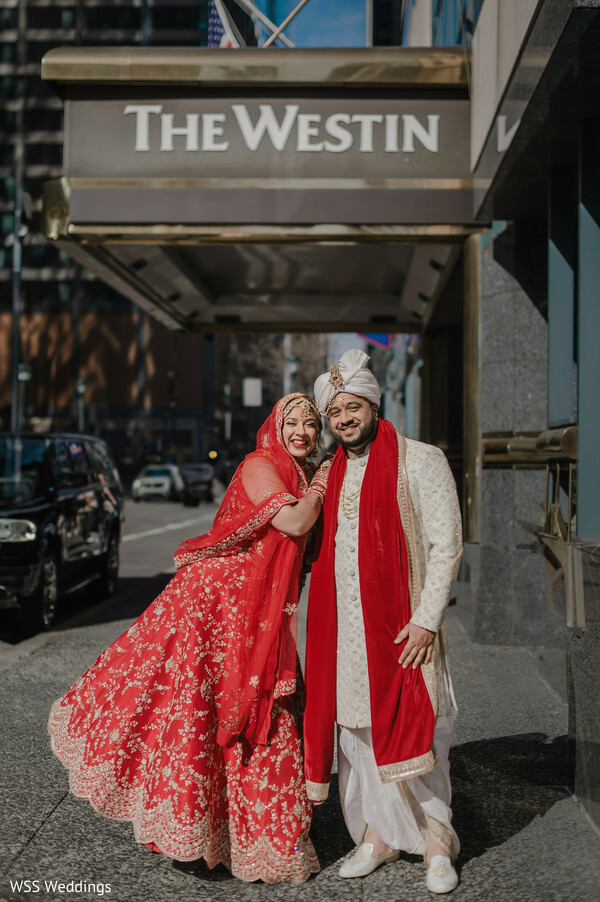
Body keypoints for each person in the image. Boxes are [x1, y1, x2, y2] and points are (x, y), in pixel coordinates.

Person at [48, 393, 331, 885]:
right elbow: (293, 521)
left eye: (310, 423)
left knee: (262, 712)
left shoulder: (299, 476)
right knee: (200, 715)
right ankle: (192, 838)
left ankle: (249, 838)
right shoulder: (260, 464)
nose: (302, 431)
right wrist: (325, 484)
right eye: (292, 421)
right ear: (274, 426)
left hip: (256, 615)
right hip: (213, 608)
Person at [304, 350, 462, 895]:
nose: (344, 418)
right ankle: (378, 836)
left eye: (352, 407)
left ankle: (438, 842)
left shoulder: (421, 459)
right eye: (335, 412)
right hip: (346, 635)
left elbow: (447, 546)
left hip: (402, 632)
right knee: (358, 741)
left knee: (417, 733)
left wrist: (425, 621)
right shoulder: (331, 473)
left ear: (374, 403)